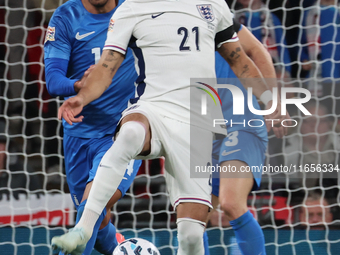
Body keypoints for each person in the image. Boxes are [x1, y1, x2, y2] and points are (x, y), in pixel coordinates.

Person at [52, 0, 284, 254]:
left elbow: (242, 60)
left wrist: (271, 100)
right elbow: (106, 68)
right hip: (152, 108)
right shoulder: (131, 8)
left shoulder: (213, 5)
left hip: (197, 125)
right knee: (130, 134)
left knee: (192, 236)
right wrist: (81, 97)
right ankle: (83, 229)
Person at [43, 0, 142, 254]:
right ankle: (123, 250)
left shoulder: (133, 10)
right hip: (79, 134)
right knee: (96, 219)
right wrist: (79, 86)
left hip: (123, 131)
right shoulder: (66, 17)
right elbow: (53, 79)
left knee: (91, 206)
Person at [203, 20, 289, 255]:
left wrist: (273, 100)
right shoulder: (160, 22)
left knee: (231, 203)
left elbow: (256, 49)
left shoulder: (212, 13)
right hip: (202, 130)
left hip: (241, 122)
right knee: (194, 218)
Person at [235, 0, 292, 78]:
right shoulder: (234, 20)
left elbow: (282, 47)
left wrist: (285, 70)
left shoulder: (271, 19)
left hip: (270, 68)